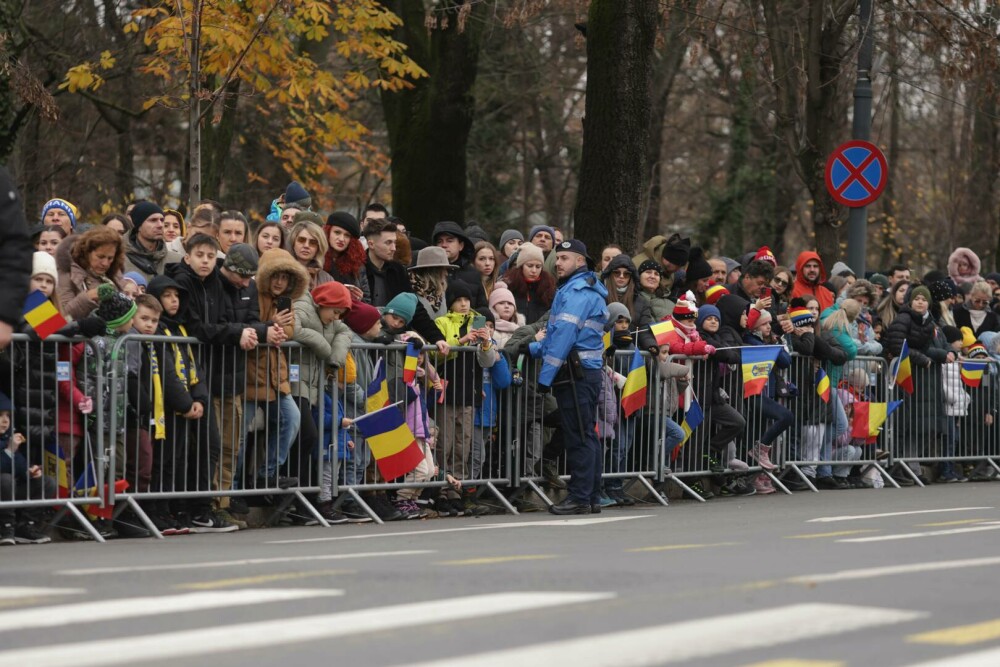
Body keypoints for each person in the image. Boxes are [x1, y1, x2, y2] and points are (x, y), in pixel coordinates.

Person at [530, 240, 608, 515]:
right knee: (587, 435)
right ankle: (591, 496)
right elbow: (556, 335)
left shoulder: (577, 291)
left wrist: (544, 377)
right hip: (584, 372)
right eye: (557, 257)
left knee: (579, 437)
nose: (558, 262)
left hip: (575, 373)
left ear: (580, 261)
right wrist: (532, 348)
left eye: (564, 257)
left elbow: (564, 335)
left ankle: (579, 496)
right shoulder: (584, 289)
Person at [0, 392, 55, 544]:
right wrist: (9, 451)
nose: (5, 421)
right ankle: (6, 528)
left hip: (9, 490)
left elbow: (18, 464)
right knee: (5, 479)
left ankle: (26, 526)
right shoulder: (9, 443)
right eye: (0, 415)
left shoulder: (8, 438)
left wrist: (29, 472)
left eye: (8, 416)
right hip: (3, 488)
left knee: (47, 482)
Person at [56, 226, 126, 320]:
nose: (105, 263)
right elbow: (60, 320)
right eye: (100, 257)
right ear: (86, 252)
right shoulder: (67, 274)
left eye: (110, 258)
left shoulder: (115, 276)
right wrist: (88, 298)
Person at [0, 168, 34, 349]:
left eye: (48, 280)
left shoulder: (33, 298)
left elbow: (53, 328)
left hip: (33, 374)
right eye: (41, 279)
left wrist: (80, 326)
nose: (44, 284)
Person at [431, 221, 487, 308]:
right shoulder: (429, 272)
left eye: (449, 241)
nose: (444, 245)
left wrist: (475, 322)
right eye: (439, 241)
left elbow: (482, 309)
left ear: (461, 245)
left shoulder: (473, 274)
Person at [501, 243, 555, 325]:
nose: (534, 270)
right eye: (530, 266)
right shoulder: (508, 287)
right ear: (521, 266)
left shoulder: (549, 288)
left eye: (538, 266)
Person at [323, 212, 369, 303]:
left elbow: (367, 299)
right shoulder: (317, 259)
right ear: (328, 232)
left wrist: (359, 298)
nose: (341, 239)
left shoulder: (357, 264)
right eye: (337, 232)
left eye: (347, 235)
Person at [125, 201, 177, 281]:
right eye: (153, 220)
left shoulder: (176, 260)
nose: (160, 225)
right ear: (138, 226)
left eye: (162, 220)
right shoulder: (121, 261)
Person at [364, 218, 407, 308]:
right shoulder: (357, 269)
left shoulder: (398, 270)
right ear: (371, 244)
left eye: (394, 243)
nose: (393, 248)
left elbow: (410, 302)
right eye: (388, 243)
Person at [287, 217, 333, 290]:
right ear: (293, 242)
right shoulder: (282, 271)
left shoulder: (326, 279)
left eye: (313, 242)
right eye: (301, 240)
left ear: (319, 247)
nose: (306, 246)